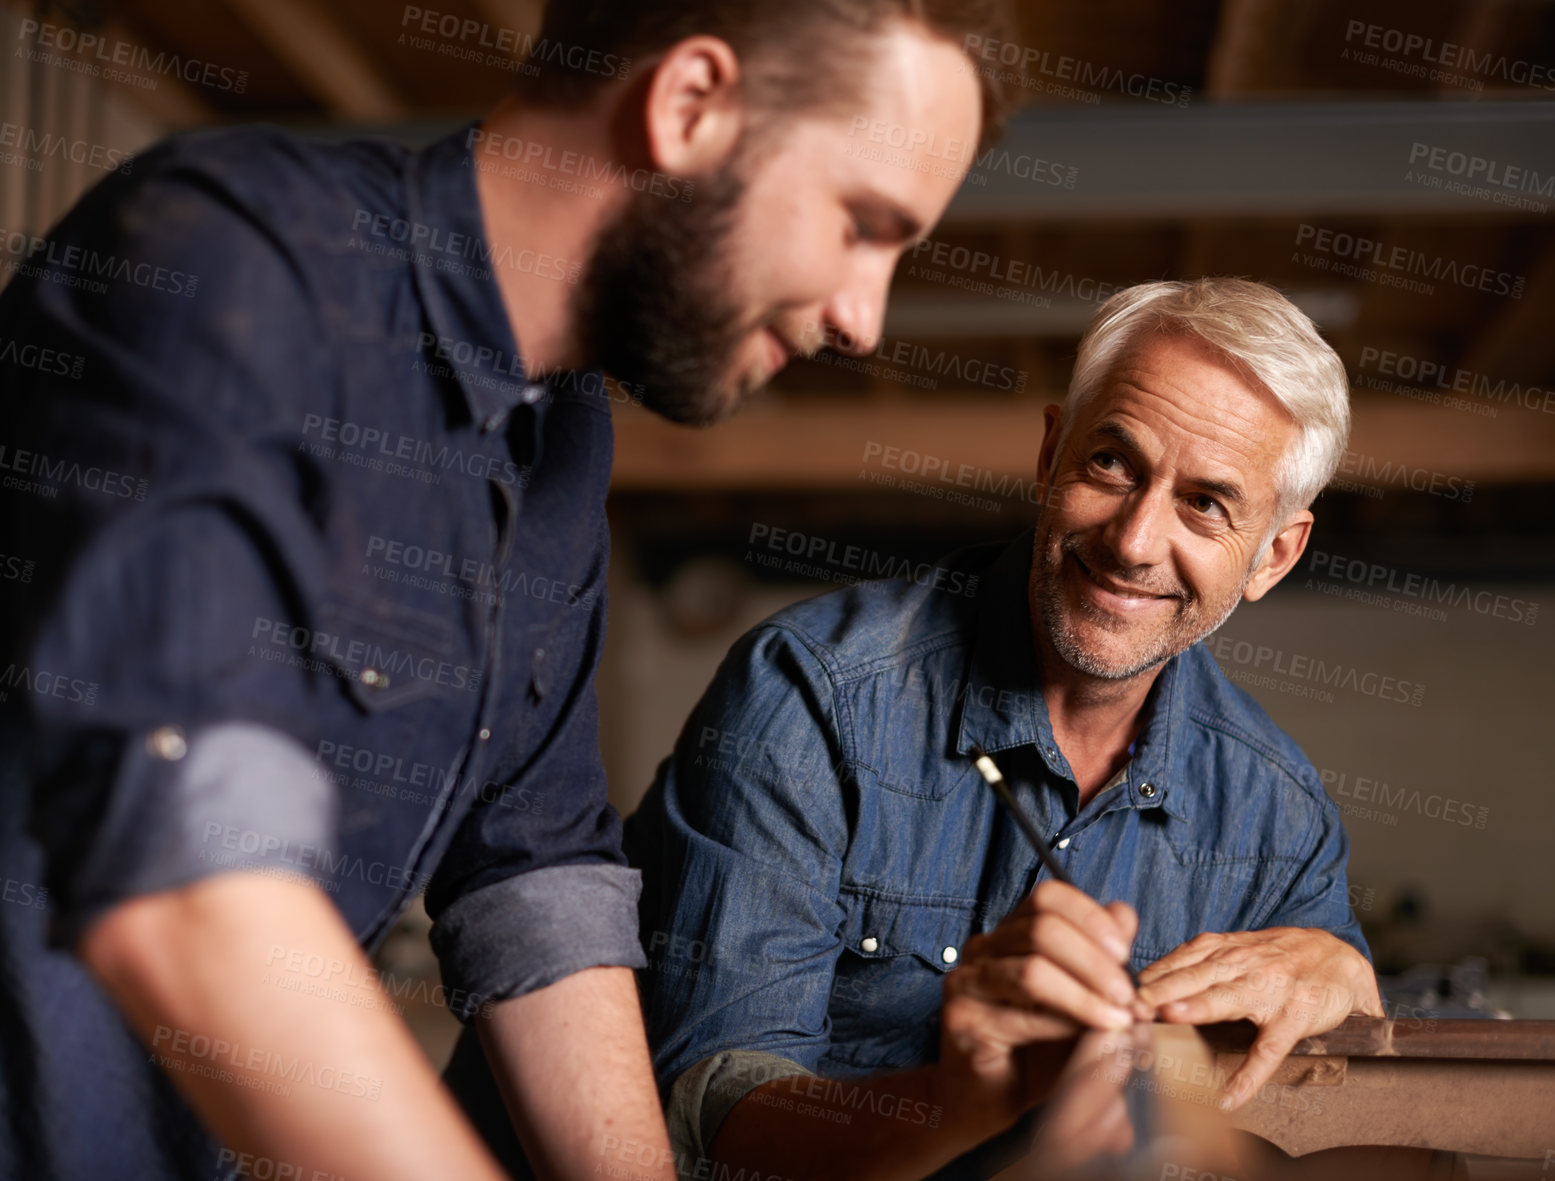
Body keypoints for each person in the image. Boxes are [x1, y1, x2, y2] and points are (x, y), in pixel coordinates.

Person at [0, 1, 1011, 1177]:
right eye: (860, 225)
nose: (863, 319)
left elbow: (534, 871)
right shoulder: (230, 262)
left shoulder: (559, 440)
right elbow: (187, 866)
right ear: (688, 105)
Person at [623, 278, 1387, 1180]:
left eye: (1205, 503)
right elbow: (710, 1105)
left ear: (1274, 554)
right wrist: (970, 1102)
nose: (1135, 540)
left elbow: (1337, 1090)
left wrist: (1350, 978)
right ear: (1049, 454)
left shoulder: (1277, 815)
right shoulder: (811, 693)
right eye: (1111, 463)